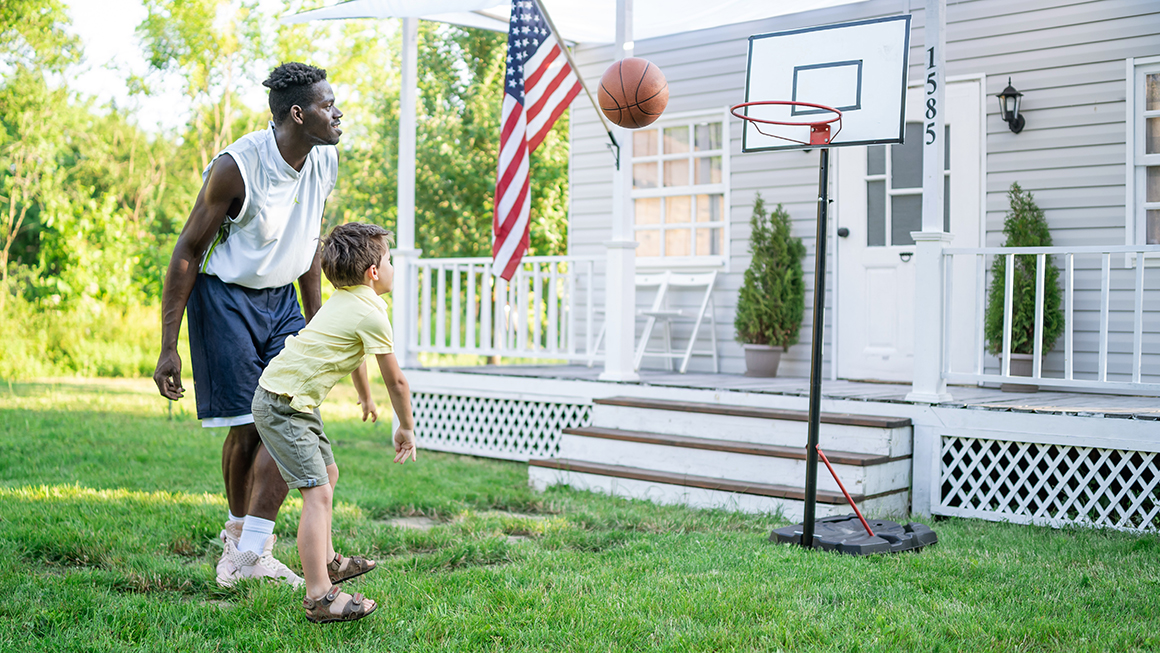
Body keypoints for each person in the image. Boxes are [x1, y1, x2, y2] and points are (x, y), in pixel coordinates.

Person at [152, 62, 344, 587]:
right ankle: (238, 543)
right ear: (298, 114)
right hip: (224, 299)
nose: (339, 112)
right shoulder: (236, 166)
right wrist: (169, 346)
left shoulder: (325, 161)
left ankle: (254, 548)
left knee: (287, 416)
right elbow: (187, 251)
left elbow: (308, 246)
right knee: (249, 425)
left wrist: (316, 325)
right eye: (329, 105)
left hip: (281, 299)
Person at [252, 221, 417, 623]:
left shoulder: (345, 302)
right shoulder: (370, 312)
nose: (393, 268)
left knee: (328, 472)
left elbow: (357, 354)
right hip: (282, 404)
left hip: (293, 402)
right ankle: (319, 596)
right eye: (389, 261)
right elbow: (396, 380)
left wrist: (363, 396)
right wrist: (406, 427)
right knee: (318, 493)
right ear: (373, 273)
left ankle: (328, 561)